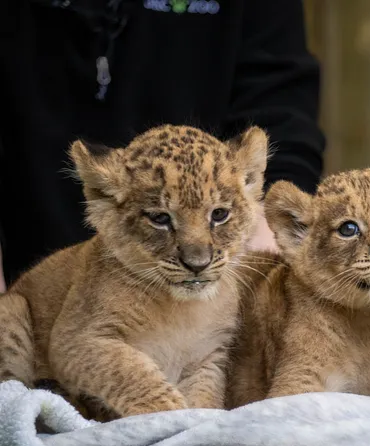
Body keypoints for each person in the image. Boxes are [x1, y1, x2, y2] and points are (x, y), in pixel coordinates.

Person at [0, 0, 325, 291]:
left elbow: (280, 103)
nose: (195, 257)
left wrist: (261, 266)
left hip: (228, 266)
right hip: (30, 254)